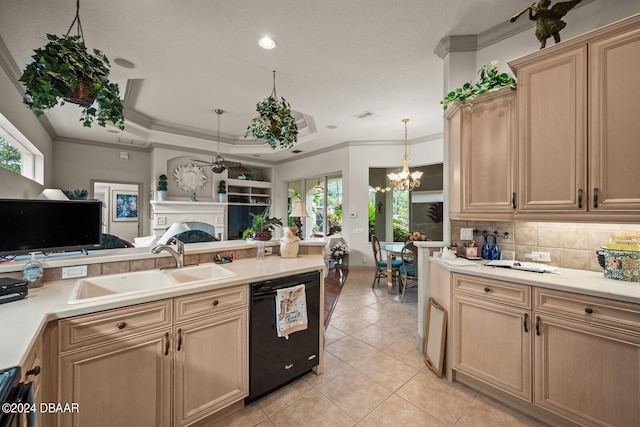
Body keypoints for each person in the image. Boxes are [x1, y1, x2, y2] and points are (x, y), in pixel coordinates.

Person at [511, 0, 583, 48]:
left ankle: (557, 42)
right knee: (542, 36)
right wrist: (530, 10)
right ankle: (543, 45)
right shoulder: (539, 13)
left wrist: (532, 7)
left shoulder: (547, 11)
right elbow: (532, 18)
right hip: (541, 25)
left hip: (548, 23)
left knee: (554, 30)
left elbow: (539, 10)